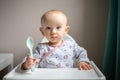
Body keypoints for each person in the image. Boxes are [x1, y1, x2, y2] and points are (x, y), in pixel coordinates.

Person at [21, 9, 92, 70]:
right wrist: (27, 65)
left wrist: (83, 61)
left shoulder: (71, 45)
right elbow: (32, 59)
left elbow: (82, 52)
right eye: (48, 28)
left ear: (66, 30)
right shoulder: (41, 48)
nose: (53, 32)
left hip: (68, 77)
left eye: (58, 27)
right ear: (43, 31)